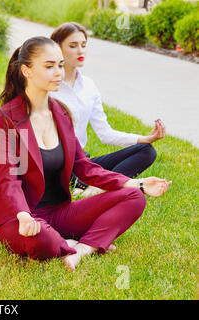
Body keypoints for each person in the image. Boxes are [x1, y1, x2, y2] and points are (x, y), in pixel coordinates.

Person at [0, 36, 171, 271]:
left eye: (60, 64)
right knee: (41, 240)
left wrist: (138, 184)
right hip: (16, 218)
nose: (58, 72)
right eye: (49, 66)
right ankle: (68, 241)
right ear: (26, 71)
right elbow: (6, 178)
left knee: (134, 199)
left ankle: (82, 248)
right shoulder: (6, 117)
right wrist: (23, 215)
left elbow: (85, 168)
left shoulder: (61, 113)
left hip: (58, 213)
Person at [50, 22, 165, 198]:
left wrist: (146, 138)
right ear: (57, 49)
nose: (81, 51)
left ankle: (98, 188)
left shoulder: (89, 85)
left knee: (146, 150)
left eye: (83, 45)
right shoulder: (49, 85)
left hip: (82, 164)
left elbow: (104, 133)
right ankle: (99, 186)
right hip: (57, 167)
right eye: (73, 46)